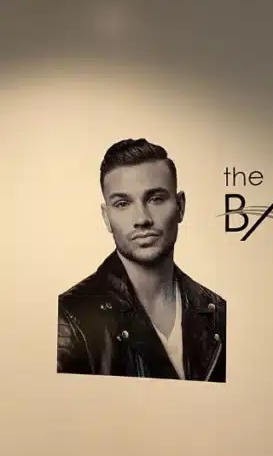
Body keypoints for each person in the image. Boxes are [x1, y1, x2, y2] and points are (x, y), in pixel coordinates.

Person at [57, 139, 227, 381]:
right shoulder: (70, 318)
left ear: (180, 206)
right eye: (123, 204)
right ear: (107, 217)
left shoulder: (216, 311)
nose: (142, 219)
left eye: (155, 199)